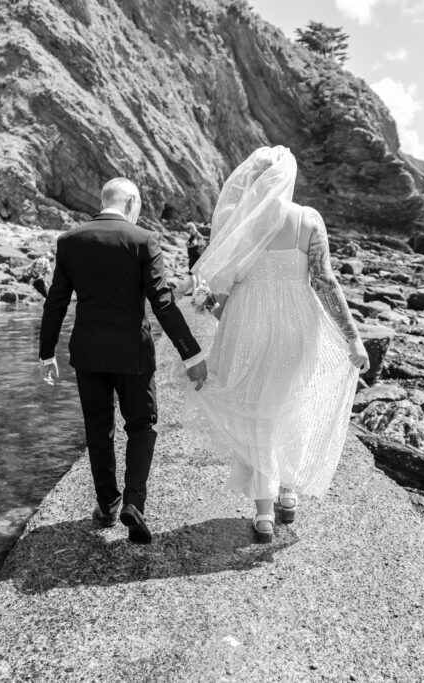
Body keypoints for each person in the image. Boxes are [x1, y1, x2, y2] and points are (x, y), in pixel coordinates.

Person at [183, 146, 370, 543]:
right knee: (293, 402)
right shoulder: (307, 219)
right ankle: (288, 492)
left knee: (256, 415)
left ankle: (264, 515)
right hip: (298, 326)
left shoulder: (240, 224)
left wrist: (210, 306)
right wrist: (352, 338)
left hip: (248, 324)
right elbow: (324, 281)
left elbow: (231, 293)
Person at [38, 178, 208, 544]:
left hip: (88, 353)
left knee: (99, 428)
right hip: (133, 353)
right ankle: (134, 503)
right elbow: (162, 301)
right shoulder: (142, 240)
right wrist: (191, 353)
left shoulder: (70, 241)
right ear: (131, 201)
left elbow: (56, 301)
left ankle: (107, 504)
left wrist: (46, 352)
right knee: (141, 425)